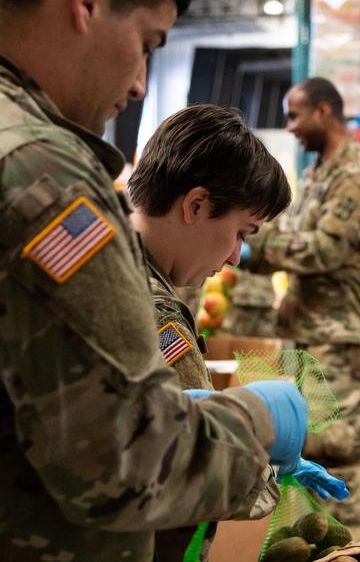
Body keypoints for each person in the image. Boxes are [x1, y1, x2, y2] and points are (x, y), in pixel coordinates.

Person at [0, 0, 312, 561]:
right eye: (147, 41)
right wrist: (255, 423)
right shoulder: (35, 173)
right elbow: (124, 461)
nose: (140, 84)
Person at [127, 104, 348, 561]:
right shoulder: (154, 309)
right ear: (197, 205)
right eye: (241, 232)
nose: (234, 257)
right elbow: (197, 460)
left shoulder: (111, 266)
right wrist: (263, 462)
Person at [242, 77, 360, 539]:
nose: (290, 128)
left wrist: (257, 246)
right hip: (314, 331)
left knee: (338, 448)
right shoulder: (318, 174)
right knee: (313, 451)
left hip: (342, 335)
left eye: (295, 115)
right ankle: (329, 546)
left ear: (324, 112)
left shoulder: (357, 177)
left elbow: (325, 250)